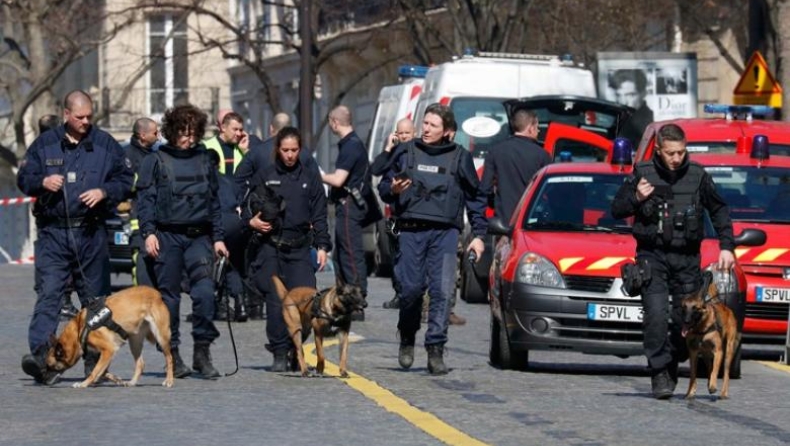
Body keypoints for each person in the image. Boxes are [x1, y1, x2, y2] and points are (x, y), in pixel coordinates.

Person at [611, 124, 735, 399]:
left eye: (681, 152)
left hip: (687, 258)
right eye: (670, 153)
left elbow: (719, 210)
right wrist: (636, 197)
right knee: (655, 316)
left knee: (686, 319)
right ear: (658, 150)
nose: (677, 158)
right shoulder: (642, 173)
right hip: (652, 255)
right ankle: (660, 374)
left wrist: (727, 246)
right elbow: (616, 209)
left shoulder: (698, 175)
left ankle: (673, 360)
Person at [18, 90, 134, 384]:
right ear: (66, 114)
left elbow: (124, 180)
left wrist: (104, 192)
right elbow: (24, 179)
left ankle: (94, 365)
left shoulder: (105, 144)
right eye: (80, 117)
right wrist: (42, 181)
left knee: (95, 302)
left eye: (89, 117)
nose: (85, 122)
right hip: (53, 233)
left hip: (91, 233)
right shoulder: (44, 145)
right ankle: (44, 359)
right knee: (49, 295)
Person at [378, 103, 487, 375]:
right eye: (424, 123)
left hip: (445, 233)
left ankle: (435, 349)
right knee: (411, 290)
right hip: (411, 230)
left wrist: (479, 235)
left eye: (433, 125)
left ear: (448, 131)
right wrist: (391, 188)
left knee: (441, 291)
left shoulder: (460, 157)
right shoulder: (406, 151)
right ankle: (406, 336)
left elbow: (475, 198)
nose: (426, 129)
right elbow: (383, 187)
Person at [136, 103, 229, 379]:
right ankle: (172, 354)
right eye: (182, 132)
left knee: (204, 293)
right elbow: (146, 201)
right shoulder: (155, 161)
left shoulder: (204, 160)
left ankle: (202, 351)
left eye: (192, 133)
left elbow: (214, 202)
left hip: (199, 236)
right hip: (167, 236)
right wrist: (148, 232)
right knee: (171, 300)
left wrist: (219, 238)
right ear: (172, 132)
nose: (188, 138)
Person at [242, 126, 331, 372]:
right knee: (275, 300)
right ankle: (279, 351)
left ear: (300, 150)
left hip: (300, 247)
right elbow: (248, 202)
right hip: (271, 246)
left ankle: (296, 347)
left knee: (308, 301)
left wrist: (322, 245)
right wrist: (251, 221)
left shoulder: (309, 176)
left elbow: (320, 213)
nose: (290, 155)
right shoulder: (265, 174)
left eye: (294, 150)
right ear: (277, 150)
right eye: (285, 150)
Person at [234, 112, 317, 320]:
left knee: (262, 266)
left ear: (272, 129)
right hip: (296, 226)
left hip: (265, 220)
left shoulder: (257, 152)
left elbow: (238, 180)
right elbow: (316, 187)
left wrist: (241, 208)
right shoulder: (304, 154)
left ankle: (256, 305)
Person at [322, 105, 380, 321]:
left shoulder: (351, 146)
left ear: (334, 122)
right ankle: (344, 299)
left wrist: (318, 174)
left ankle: (356, 300)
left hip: (349, 206)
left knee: (351, 254)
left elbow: (338, 180)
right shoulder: (351, 144)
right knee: (341, 255)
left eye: (330, 122)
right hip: (346, 204)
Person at [371, 118, 415, 311]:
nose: (404, 137)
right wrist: (389, 147)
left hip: (416, 214)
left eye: (407, 133)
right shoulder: (394, 155)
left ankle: (413, 295)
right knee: (397, 256)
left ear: (415, 133)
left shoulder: (420, 153)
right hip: (398, 214)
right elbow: (378, 174)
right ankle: (400, 294)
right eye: (401, 133)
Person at [479, 108, 551, 222]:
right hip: (530, 221)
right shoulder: (542, 155)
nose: (538, 131)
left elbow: (484, 189)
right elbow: (549, 192)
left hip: (503, 221)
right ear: (530, 128)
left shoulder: (495, 151)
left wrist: (497, 203)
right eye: (537, 127)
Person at [207, 150, 247, 322]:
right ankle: (241, 305)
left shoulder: (204, 179)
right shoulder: (227, 179)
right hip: (236, 223)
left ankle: (218, 302)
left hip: (219, 221)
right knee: (233, 264)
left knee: (214, 262)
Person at [126, 117, 160, 288]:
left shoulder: (153, 154)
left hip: (153, 216)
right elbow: (126, 185)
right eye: (155, 133)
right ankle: (140, 293)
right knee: (140, 260)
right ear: (143, 135)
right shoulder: (128, 156)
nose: (159, 136)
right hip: (136, 217)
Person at [609, 69, 654, 146]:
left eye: (630, 95)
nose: (623, 102)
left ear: (643, 93)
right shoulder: (615, 118)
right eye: (619, 95)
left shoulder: (651, 122)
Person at [204, 110, 248, 176]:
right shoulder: (206, 146)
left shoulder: (242, 148)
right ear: (223, 128)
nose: (239, 134)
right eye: (235, 129)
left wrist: (245, 151)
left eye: (241, 130)